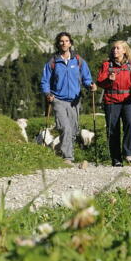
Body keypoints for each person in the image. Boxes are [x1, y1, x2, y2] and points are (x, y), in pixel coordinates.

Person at [41, 32, 97, 164]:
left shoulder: (78, 60)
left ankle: (58, 150)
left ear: (70, 43)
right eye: (61, 41)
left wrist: (90, 85)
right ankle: (68, 158)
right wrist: (47, 94)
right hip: (58, 100)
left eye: (66, 41)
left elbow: (86, 78)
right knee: (65, 128)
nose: (64, 43)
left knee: (73, 131)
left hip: (74, 101)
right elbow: (45, 81)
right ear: (58, 44)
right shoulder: (53, 62)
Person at [97, 40, 131, 167]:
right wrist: (109, 79)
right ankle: (116, 158)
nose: (115, 50)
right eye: (113, 48)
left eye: (118, 48)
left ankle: (128, 153)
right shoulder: (107, 65)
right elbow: (100, 82)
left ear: (124, 51)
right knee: (113, 129)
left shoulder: (130, 66)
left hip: (126, 99)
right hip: (111, 99)